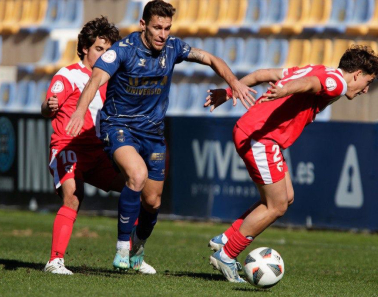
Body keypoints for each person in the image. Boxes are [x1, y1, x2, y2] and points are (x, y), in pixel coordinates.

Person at [65, 0, 255, 272]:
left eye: (167, 28)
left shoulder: (174, 48)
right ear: (143, 25)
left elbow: (210, 58)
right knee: (137, 175)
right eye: (157, 27)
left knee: (153, 202)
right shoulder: (123, 51)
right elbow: (95, 79)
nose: (162, 34)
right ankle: (122, 247)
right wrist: (78, 112)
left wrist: (234, 82)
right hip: (119, 126)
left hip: (153, 133)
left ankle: (137, 248)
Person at [205, 45, 378, 282]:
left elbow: (263, 74)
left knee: (286, 197)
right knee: (277, 206)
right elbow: (310, 84)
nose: (365, 90)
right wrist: (285, 90)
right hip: (260, 137)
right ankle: (227, 255)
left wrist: (229, 93)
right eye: (368, 81)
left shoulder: (317, 69)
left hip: (258, 134)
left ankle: (227, 239)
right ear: (357, 74)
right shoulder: (337, 83)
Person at [41, 16, 155, 275]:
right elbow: (49, 105)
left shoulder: (110, 81)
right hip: (68, 148)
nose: (104, 55)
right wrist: (48, 106)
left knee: (136, 189)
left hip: (98, 153)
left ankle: (134, 257)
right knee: (73, 195)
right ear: (84, 48)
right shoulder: (69, 75)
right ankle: (55, 261)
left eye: (108, 50)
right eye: (98, 49)